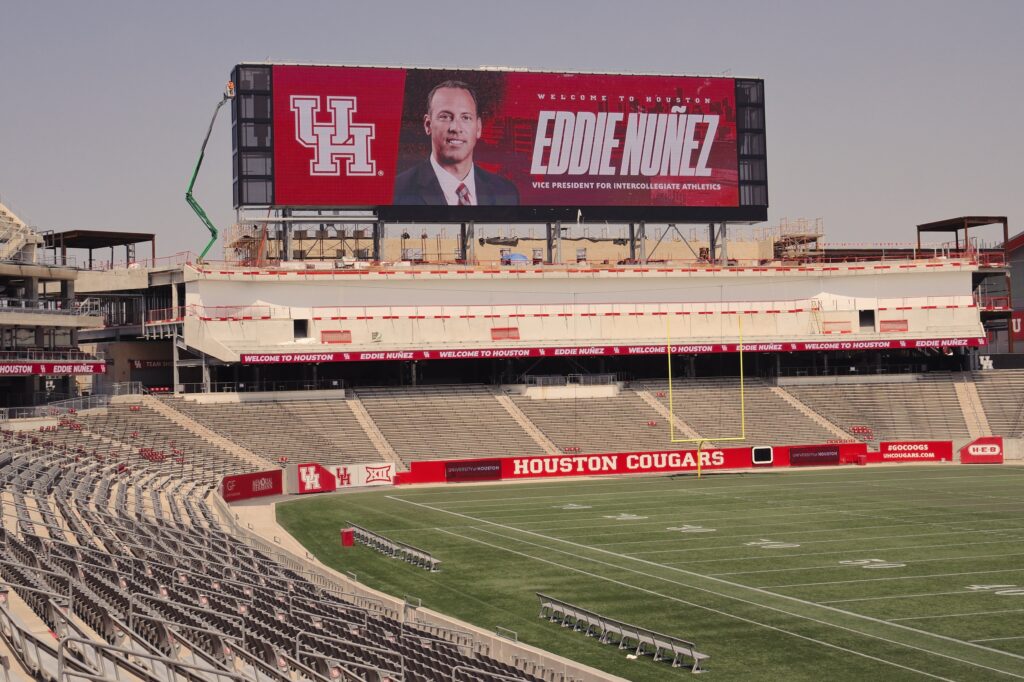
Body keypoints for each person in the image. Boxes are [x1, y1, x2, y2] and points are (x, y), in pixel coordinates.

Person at [393, 80, 519, 206]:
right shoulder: (398, 192)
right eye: (445, 116)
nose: (455, 127)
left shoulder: (506, 192)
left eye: (466, 117)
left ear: (478, 128)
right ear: (428, 125)